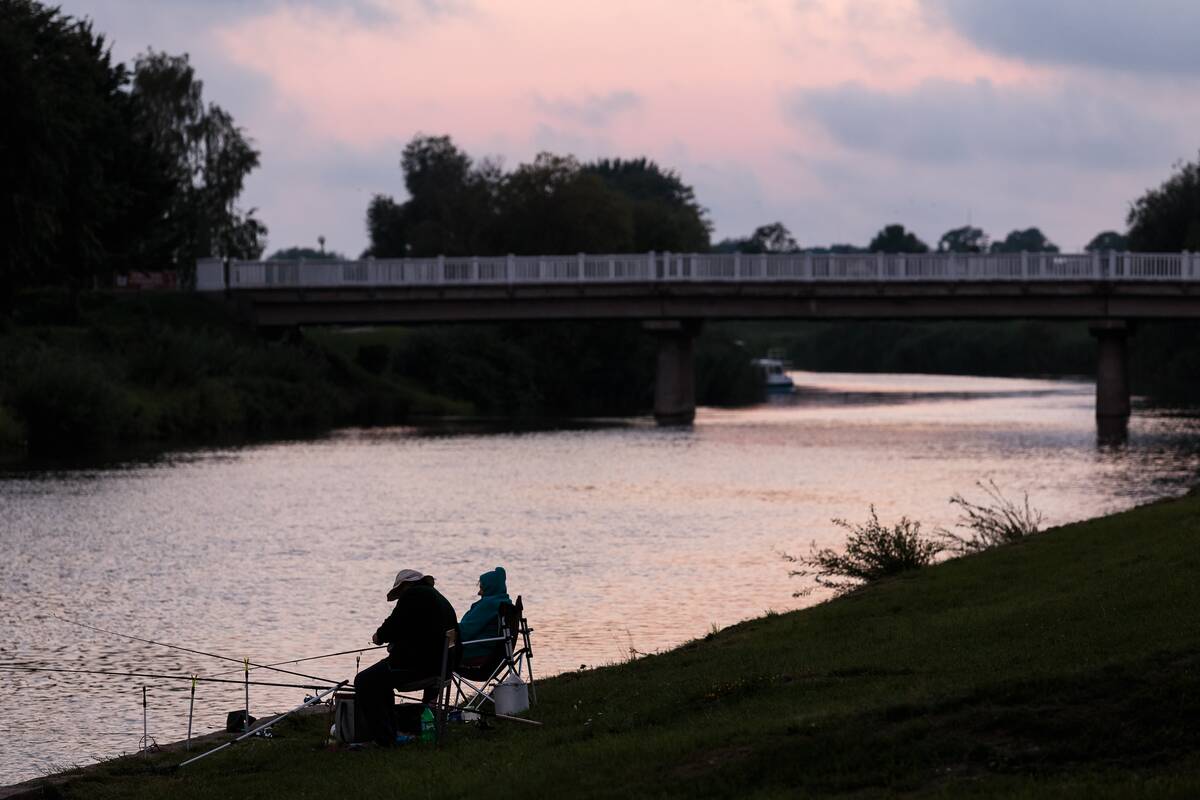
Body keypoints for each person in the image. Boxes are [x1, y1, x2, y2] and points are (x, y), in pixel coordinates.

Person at [353, 568, 460, 746]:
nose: (400, 596)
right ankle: (391, 732)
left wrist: (378, 637)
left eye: (400, 591)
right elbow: (416, 628)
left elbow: (391, 627)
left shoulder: (413, 596)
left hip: (418, 667)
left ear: (406, 585)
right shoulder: (438, 598)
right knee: (379, 678)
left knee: (364, 680)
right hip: (442, 665)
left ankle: (384, 738)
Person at [457, 566, 511, 672]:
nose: (479, 593)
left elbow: (464, 632)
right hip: (497, 655)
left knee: (439, 652)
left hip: (478, 654)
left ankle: (432, 685)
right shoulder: (505, 602)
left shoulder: (488, 605)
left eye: (482, 588)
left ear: (491, 588)